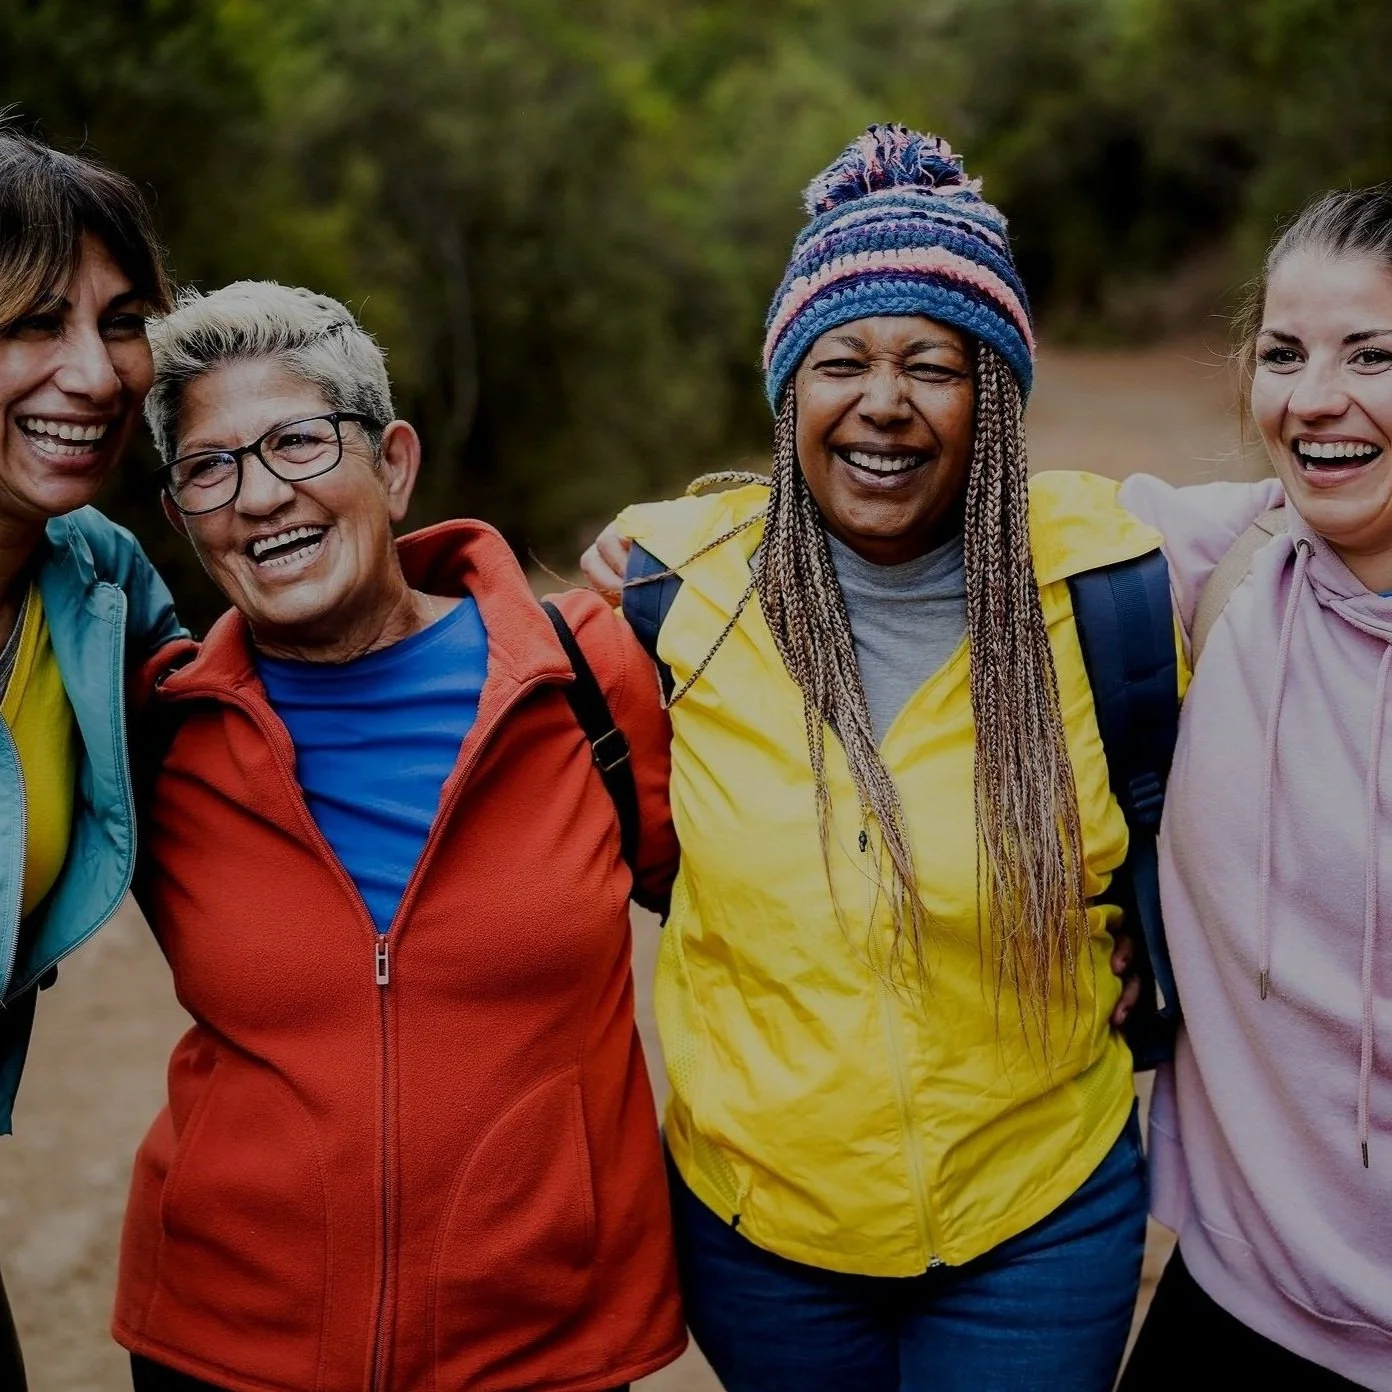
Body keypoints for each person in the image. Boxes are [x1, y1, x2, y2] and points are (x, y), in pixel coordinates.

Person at [580, 124, 1154, 1392]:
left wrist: (1143, 935)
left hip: (1037, 1213)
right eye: (840, 361)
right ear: (790, 394)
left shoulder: (1111, 581)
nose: (883, 402)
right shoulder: (675, 597)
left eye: (932, 365)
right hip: (762, 1231)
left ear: (993, 400)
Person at [113, 281, 685, 1392]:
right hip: (226, 1348)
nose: (259, 496)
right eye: (209, 468)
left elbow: (768, 899)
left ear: (394, 464)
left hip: (541, 1349)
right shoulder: (160, 728)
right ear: (181, 517)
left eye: (298, 442)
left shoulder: (586, 679)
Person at [1116, 188, 1392, 1390]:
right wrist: (669, 553)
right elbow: (928, 530)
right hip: (1242, 1303)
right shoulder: (1220, 564)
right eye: (1284, 354)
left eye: (1373, 357)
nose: (1314, 399)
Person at [0, 126, 182, 1389]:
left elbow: (286, 720)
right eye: (31, 323)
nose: (97, 374)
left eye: (121, 324)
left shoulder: (96, 584)